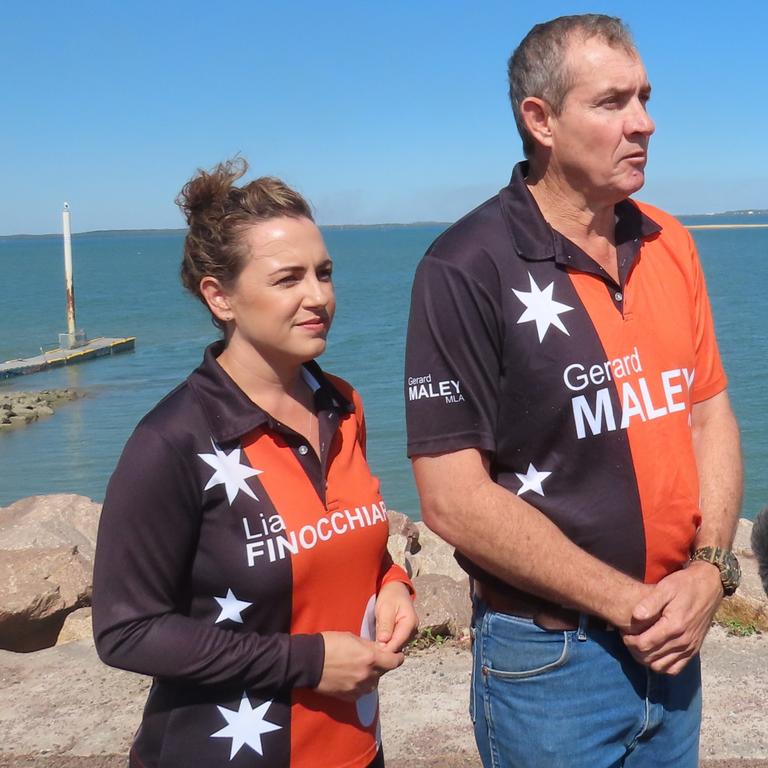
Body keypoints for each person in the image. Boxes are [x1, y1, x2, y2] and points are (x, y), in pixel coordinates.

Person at [404, 14, 742, 768]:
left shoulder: (669, 241)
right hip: (551, 667)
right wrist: (630, 603)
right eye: (612, 102)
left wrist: (710, 568)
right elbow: (451, 498)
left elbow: (707, 411)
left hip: (673, 650)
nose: (644, 124)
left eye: (646, 98)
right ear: (541, 119)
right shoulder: (465, 268)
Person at [92, 158, 417, 768]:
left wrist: (393, 584)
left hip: (354, 749)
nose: (318, 296)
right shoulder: (171, 442)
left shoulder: (342, 405)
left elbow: (356, 544)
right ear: (221, 297)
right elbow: (124, 631)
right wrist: (309, 662)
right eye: (287, 278)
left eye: (324, 273)